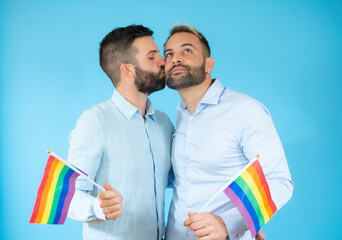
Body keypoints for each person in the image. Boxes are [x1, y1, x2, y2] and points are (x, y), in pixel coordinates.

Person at [163, 24, 293, 240]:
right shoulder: (180, 116)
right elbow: (182, 179)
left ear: (208, 64)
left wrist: (230, 223)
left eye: (187, 50)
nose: (175, 58)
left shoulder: (244, 109)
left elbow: (279, 180)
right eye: (169, 54)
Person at [67, 25, 174, 240]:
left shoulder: (164, 122)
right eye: (152, 57)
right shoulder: (95, 121)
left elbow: (185, 180)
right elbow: (67, 198)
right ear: (127, 70)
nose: (163, 61)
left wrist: (239, 224)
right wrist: (98, 207)